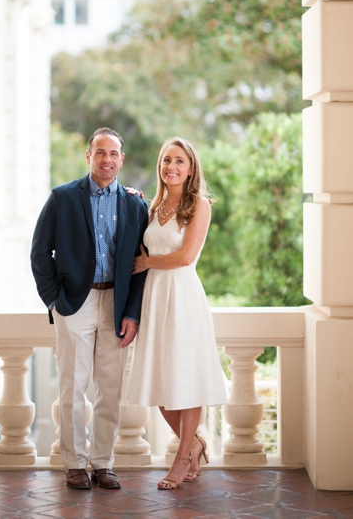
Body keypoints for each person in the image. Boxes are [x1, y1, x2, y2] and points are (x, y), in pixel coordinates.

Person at [30, 128, 149, 490]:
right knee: (73, 387)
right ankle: (74, 465)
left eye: (113, 153)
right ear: (88, 156)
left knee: (109, 390)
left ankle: (102, 463)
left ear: (122, 159)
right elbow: (39, 253)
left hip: (115, 303)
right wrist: (55, 300)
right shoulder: (63, 197)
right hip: (75, 304)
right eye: (100, 152)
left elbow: (141, 264)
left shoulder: (135, 204)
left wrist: (132, 313)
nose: (107, 160)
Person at [126, 137, 227, 489]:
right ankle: (195, 444)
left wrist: (147, 262)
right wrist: (131, 201)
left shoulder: (199, 205)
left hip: (183, 297)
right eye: (167, 160)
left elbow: (185, 257)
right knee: (158, 381)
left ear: (191, 167)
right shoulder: (152, 207)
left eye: (179, 161)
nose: (172, 166)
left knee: (186, 377)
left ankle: (182, 458)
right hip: (154, 298)